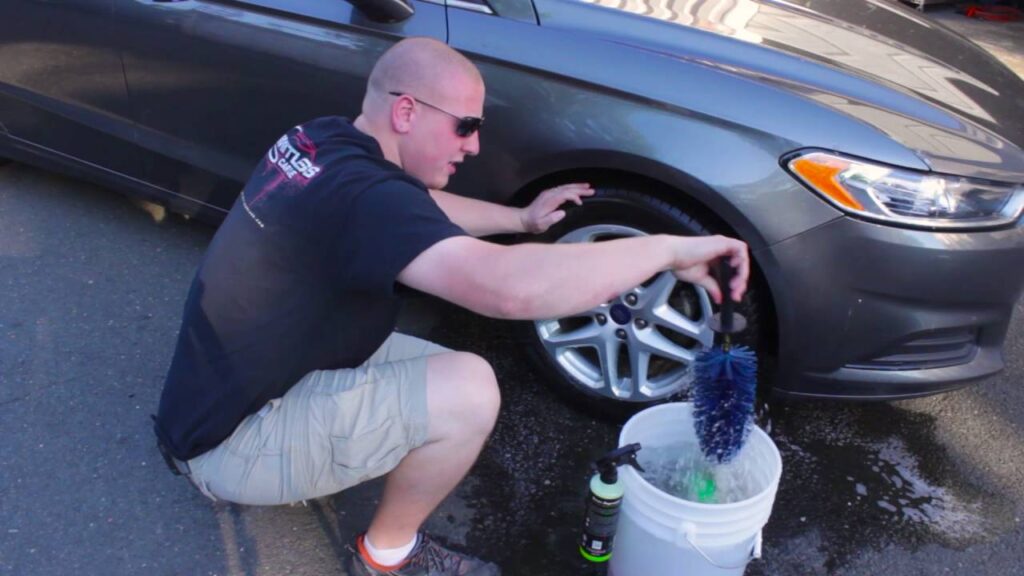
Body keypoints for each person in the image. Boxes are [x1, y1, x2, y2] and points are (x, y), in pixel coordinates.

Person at [153, 37, 749, 576]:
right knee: (469, 394)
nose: (474, 144)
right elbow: (506, 289)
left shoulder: (324, 141)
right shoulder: (367, 197)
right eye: (465, 126)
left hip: (226, 390)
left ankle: (326, 453)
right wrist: (666, 250)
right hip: (231, 443)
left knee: (446, 374)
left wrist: (521, 220)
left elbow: (417, 210)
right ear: (406, 112)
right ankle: (386, 555)